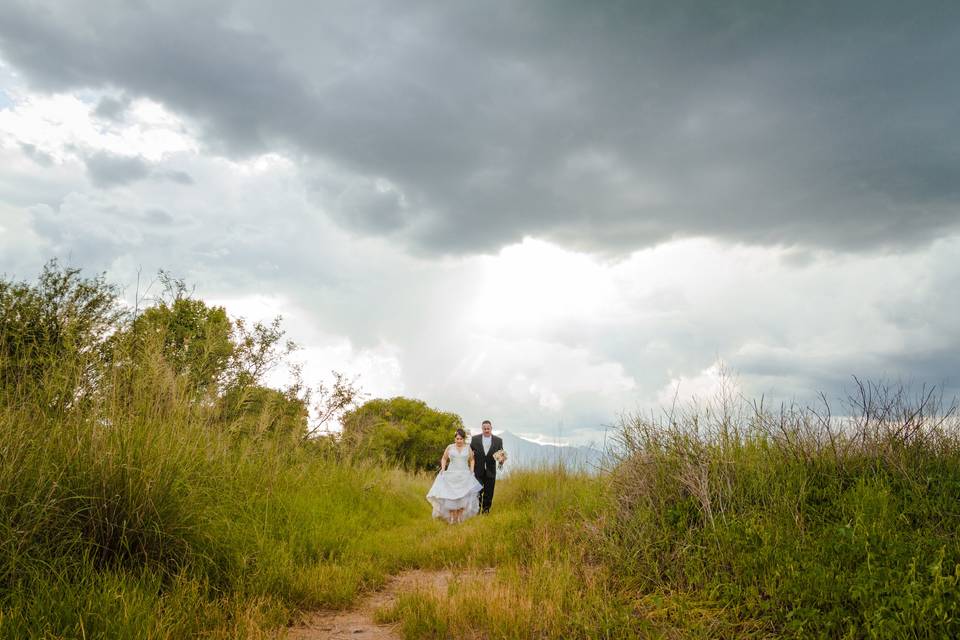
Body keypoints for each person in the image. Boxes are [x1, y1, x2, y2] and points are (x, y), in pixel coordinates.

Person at [426, 428, 483, 524]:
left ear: (463, 439)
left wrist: (471, 471)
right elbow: (444, 459)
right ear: (455, 439)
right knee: (451, 497)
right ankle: (452, 517)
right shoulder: (450, 447)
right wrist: (443, 469)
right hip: (451, 475)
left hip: (464, 475)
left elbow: (472, 460)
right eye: (457, 438)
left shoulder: (468, 448)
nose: (459, 441)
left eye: (461, 439)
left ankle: (460, 517)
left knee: (463, 497)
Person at [470, 419, 503, 514]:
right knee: (477, 491)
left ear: (491, 428)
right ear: (482, 429)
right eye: (484, 428)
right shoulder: (475, 439)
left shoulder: (498, 440)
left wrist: (501, 461)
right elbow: (470, 454)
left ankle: (486, 511)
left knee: (489, 492)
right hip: (478, 471)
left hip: (491, 471)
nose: (486, 430)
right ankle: (476, 510)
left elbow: (501, 455)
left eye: (488, 428)